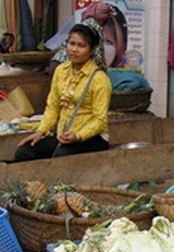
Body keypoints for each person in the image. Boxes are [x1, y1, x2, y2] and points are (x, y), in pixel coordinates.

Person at [15, 24, 111, 161]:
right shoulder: (61, 71)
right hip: (63, 136)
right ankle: (35, 183)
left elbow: (100, 120)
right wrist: (41, 131)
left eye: (81, 46)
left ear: (92, 50)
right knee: (24, 152)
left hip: (91, 138)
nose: (74, 50)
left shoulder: (99, 79)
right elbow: (53, 106)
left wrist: (78, 136)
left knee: (62, 157)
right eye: (72, 44)